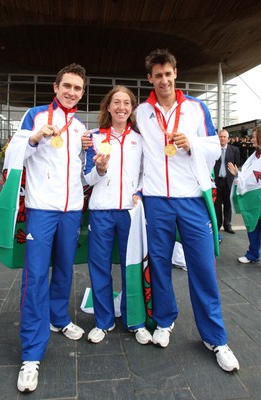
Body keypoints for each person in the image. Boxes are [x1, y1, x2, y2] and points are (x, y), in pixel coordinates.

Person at [135, 48, 239, 372]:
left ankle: (215, 337)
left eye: (168, 73)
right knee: (160, 264)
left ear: (175, 74)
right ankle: (164, 321)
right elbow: (134, 152)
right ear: (149, 78)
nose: (164, 80)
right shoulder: (141, 112)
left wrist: (192, 143)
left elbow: (215, 147)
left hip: (191, 198)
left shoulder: (195, 108)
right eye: (157, 75)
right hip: (155, 200)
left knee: (203, 269)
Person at [5, 64, 88, 393]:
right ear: (56, 87)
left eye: (77, 88)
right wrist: (35, 139)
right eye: (67, 85)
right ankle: (31, 353)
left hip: (71, 210)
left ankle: (59, 318)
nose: (71, 92)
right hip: (41, 209)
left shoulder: (81, 127)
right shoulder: (35, 116)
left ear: (82, 93)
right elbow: (12, 155)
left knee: (65, 269)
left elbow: (84, 171)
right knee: (36, 276)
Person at [83, 85, 152, 345]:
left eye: (126, 103)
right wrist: (99, 169)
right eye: (116, 102)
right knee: (99, 267)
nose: (121, 107)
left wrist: (140, 192)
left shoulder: (140, 139)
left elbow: (148, 172)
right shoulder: (94, 137)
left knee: (131, 267)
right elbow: (86, 176)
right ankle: (103, 321)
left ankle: (135, 320)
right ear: (108, 107)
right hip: (101, 212)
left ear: (132, 108)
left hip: (130, 213)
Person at [228, 126, 261, 264]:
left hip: (257, 197)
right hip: (254, 200)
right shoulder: (255, 155)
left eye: (254, 137)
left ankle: (253, 253)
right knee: (253, 225)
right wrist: (239, 175)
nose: (251, 139)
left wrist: (238, 175)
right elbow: (249, 176)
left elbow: (255, 177)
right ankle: (253, 253)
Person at [214, 129, 240, 234]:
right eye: (220, 136)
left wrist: (236, 178)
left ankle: (227, 225)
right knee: (217, 204)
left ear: (228, 139)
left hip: (229, 181)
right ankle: (218, 224)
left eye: (224, 137)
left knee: (228, 204)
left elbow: (237, 166)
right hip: (217, 181)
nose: (222, 139)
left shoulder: (234, 150)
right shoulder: (214, 150)